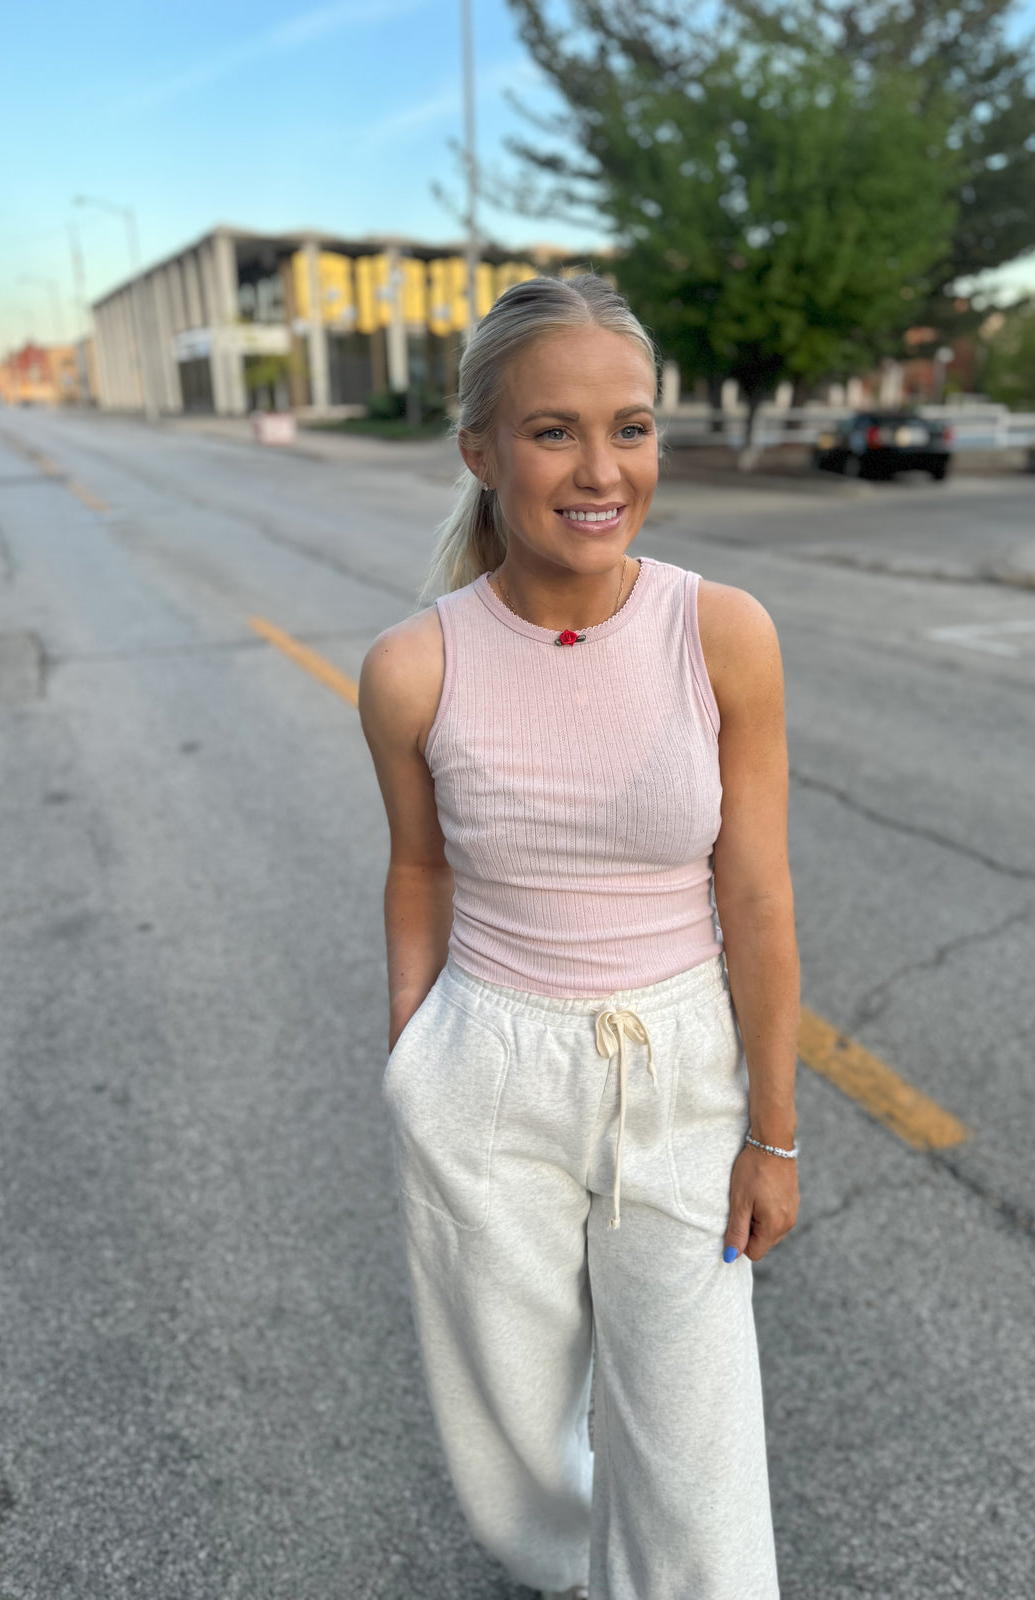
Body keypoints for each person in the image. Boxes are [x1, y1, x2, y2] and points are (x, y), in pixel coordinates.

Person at [358, 274, 799, 1600]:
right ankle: (583, 1574)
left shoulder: (719, 633)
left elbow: (760, 900)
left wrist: (771, 1132)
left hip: (679, 1073)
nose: (603, 469)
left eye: (633, 426)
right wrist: (415, 1061)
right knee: (515, 1455)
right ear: (481, 451)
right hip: (489, 1067)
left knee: (699, 1457)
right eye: (554, 432)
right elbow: (419, 871)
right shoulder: (413, 667)